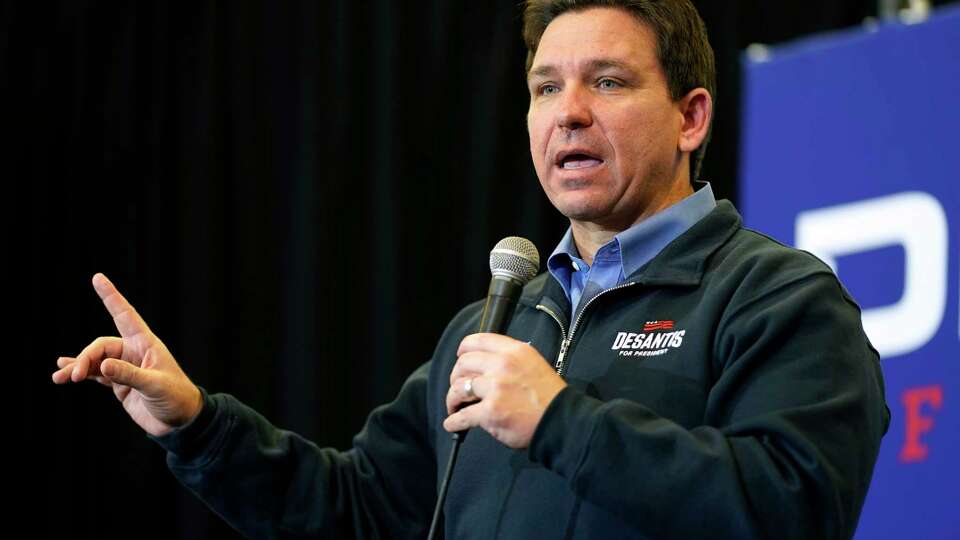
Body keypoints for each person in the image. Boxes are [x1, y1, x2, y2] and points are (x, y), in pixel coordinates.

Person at [52, 1, 890, 538]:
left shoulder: (777, 300)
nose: (569, 113)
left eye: (607, 81)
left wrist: (560, 420)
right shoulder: (496, 324)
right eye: (544, 88)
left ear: (690, 115)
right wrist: (196, 426)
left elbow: (793, 509)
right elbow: (359, 514)